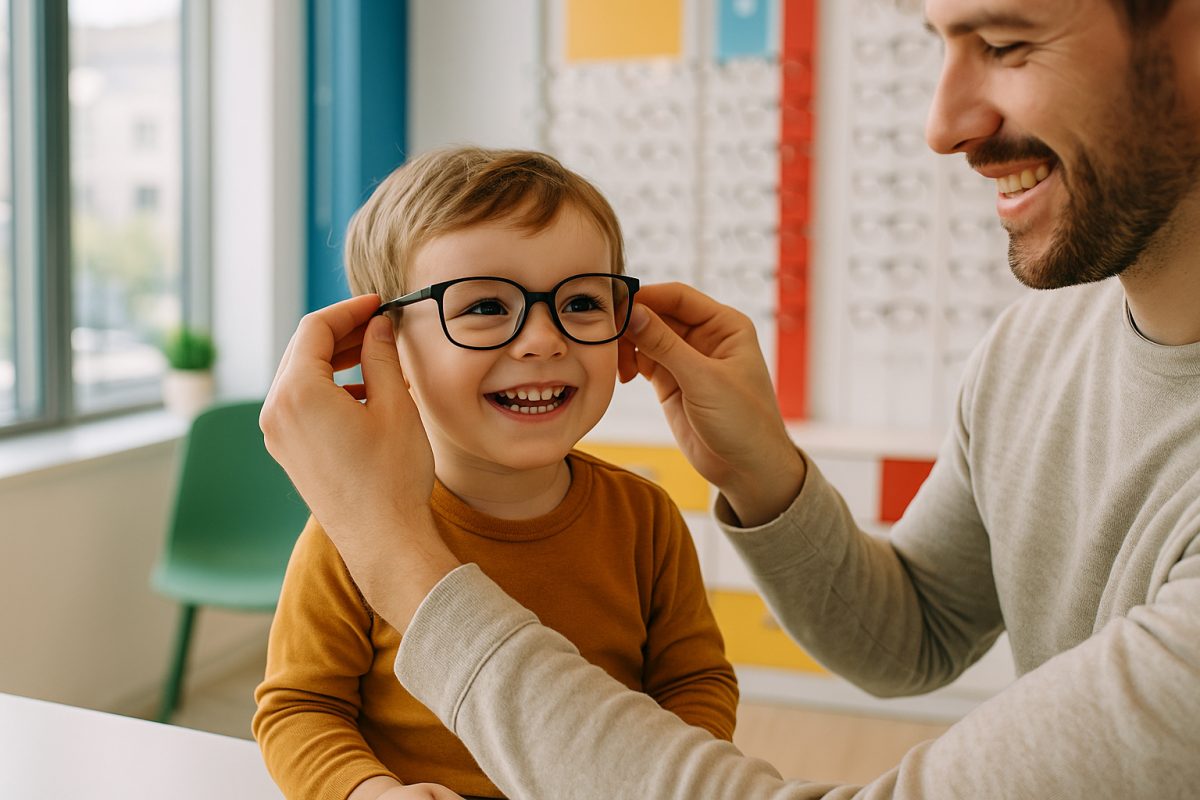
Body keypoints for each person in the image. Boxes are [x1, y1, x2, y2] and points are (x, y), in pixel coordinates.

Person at [259, 0, 1200, 796]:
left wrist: (394, 555)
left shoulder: (630, 519)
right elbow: (914, 636)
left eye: (1006, 43)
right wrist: (767, 473)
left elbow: (694, 684)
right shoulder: (1031, 353)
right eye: (938, 44)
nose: (940, 124)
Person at [251, 147, 738, 800]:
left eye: (584, 302)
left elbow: (694, 681)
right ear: (385, 345)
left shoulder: (643, 518)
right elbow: (299, 708)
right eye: (484, 307)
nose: (543, 339)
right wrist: (369, 791)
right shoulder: (351, 532)